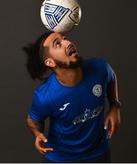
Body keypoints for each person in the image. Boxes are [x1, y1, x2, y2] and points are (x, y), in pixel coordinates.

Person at [23, 32, 121, 163]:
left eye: (65, 38)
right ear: (50, 62)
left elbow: (111, 76)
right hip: (61, 158)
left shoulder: (100, 68)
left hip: (98, 152)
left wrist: (115, 105)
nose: (68, 43)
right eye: (58, 44)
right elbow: (33, 120)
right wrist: (37, 134)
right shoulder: (45, 96)